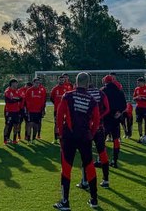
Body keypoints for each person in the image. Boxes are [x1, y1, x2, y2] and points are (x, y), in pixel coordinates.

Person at [53, 72, 100, 210]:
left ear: (76, 82)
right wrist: (90, 134)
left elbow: (60, 117)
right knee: (89, 166)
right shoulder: (92, 100)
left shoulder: (68, 95)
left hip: (69, 136)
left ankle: (65, 202)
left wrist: (61, 134)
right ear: (88, 82)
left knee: (66, 168)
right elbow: (96, 121)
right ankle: (94, 200)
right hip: (85, 136)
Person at [78, 82, 110, 190]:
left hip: (86, 128)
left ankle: (85, 181)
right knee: (102, 152)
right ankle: (105, 180)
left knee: (86, 154)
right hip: (99, 126)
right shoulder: (101, 93)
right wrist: (99, 117)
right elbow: (107, 108)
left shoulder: (83, 94)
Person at [101, 74, 126, 168]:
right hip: (115, 118)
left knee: (102, 139)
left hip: (106, 118)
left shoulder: (103, 91)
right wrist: (119, 112)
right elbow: (124, 105)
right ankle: (114, 161)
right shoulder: (119, 91)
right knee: (116, 139)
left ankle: (102, 160)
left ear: (105, 81)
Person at [24, 78, 46, 144]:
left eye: (38, 83)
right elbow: (26, 101)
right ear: (33, 83)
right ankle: (28, 139)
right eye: (36, 82)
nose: (37, 84)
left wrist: (43, 110)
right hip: (30, 111)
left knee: (36, 126)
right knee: (30, 124)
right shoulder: (29, 90)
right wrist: (27, 110)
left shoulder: (41, 91)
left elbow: (43, 101)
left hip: (38, 111)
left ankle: (33, 139)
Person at [50, 74, 70, 144]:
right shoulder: (55, 89)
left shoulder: (66, 89)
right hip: (57, 110)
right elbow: (51, 98)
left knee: (65, 124)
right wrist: (56, 104)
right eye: (60, 80)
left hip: (65, 110)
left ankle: (64, 137)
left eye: (62, 80)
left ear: (64, 80)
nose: (61, 81)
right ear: (58, 80)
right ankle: (55, 139)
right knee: (56, 124)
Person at [133, 77, 146, 143]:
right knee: (139, 123)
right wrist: (137, 97)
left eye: (139, 82)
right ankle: (141, 137)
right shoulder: (136, 89)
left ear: (143, 82)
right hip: (138, 108)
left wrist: (143, 98)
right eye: (137, 82)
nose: (137, 83)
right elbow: (134, 98)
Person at [3, 79, 23, 144]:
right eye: (16, 83)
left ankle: (14, 139)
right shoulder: (8, 91)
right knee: (7, 125)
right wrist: (16, 99)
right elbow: (9, 100)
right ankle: (5, 139)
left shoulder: (17, 91)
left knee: (16, 125)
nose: (17, 85)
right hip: (9, 111)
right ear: (12, 84)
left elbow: (20, 98)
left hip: (16, 111)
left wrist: (15, 99)